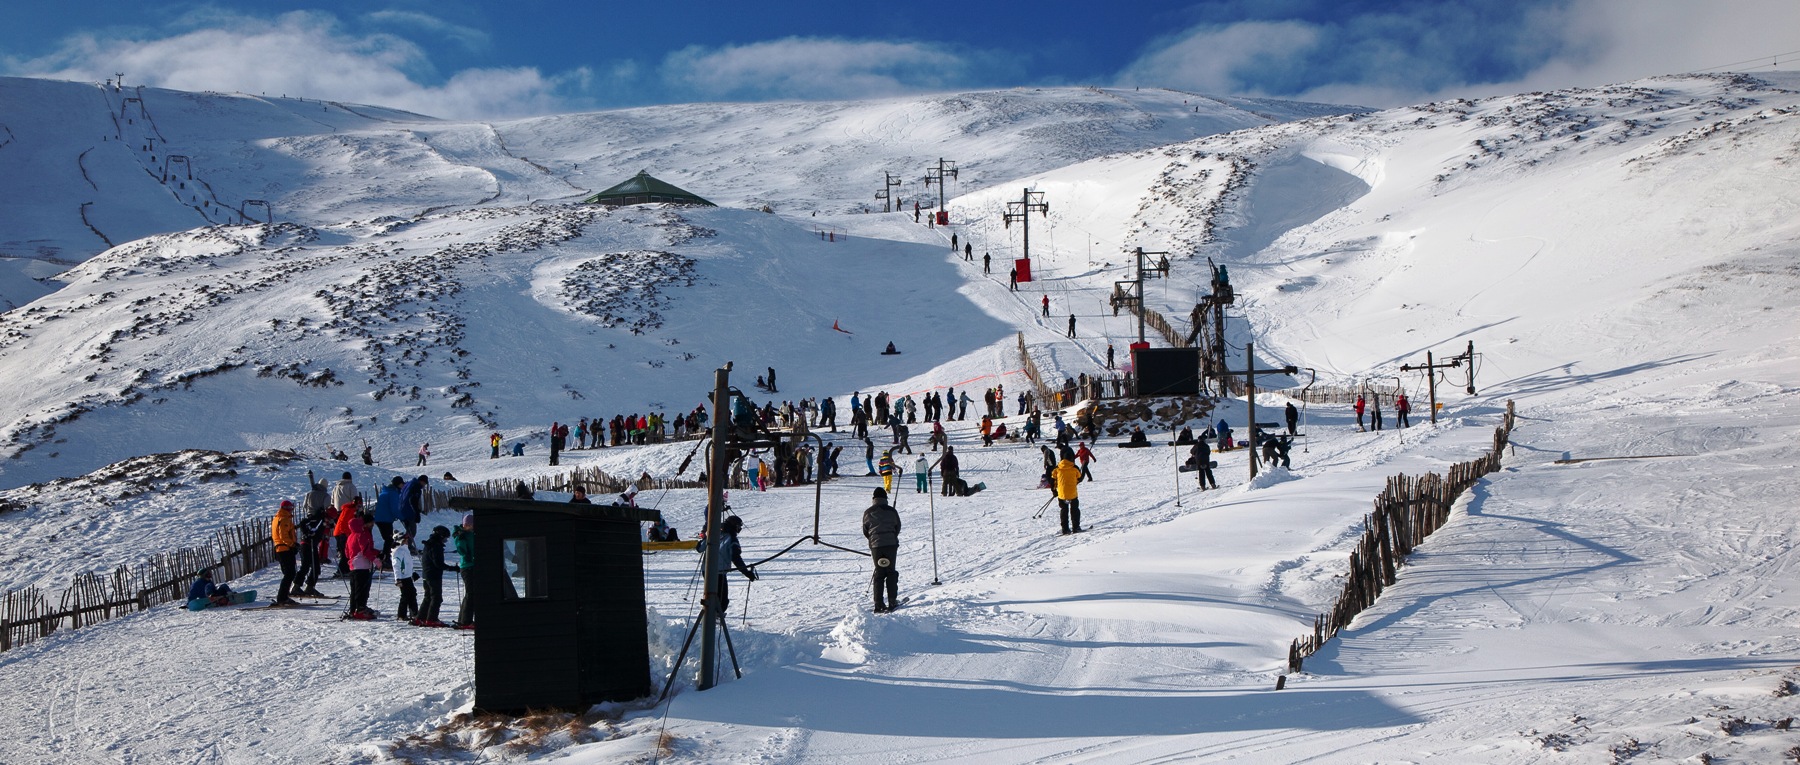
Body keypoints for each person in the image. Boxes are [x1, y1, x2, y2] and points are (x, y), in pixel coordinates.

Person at [863, 487, 902, 612]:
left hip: (876, 546)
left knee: (879, 573)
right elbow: (897, 527)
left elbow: (865, 530)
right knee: (890, 572)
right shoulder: (892, 511)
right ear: (885, 498)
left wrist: (873, 539)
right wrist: (892, 536)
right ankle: (892, 600)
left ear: (874, 498)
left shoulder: (868, 512)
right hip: (890, 544)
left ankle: (878, 603)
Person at [709, 515, 758, 612]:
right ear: (734, 526)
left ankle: (710, 617)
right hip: (718, 571)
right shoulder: (731, 539)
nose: (739, 529)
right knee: (722, 601)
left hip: (706, 570)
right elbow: (736, 558)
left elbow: (700, 548)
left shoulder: (714, 533)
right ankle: (712, 620)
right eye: (738, 527)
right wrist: (746, 573)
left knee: (712, 596)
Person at [415, 525, 452, 627]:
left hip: (426, 574)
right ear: (440, 536)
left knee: (428, 597)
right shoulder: (436, 546)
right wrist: (451, 568)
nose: (445, 540)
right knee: (436, 597)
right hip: (433, 575)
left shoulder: (429, 544)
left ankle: (420, 617)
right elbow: (438, 563)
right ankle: (432, 619)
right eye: (445, 538)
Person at [345, 513, 378, 620]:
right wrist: (375, 560)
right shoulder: (361, 535)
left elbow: (346, 552)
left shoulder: (350, 536)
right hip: (362, 565)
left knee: (355, 589)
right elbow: (365, 551)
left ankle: (353, 609)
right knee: (362, 589)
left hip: (353, 565)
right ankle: (360, 610)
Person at [296, 500, 330, 597]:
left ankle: (309, 587)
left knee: (315, 567)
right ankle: (296, 586)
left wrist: (320, 536)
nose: (330, 522)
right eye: (330, 519)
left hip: (312, 544)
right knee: (306, 566)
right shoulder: (319, 519)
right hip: (307, 544)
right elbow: (303, 523)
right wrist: (308, 533)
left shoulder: (322, 521)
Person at [272, 500, 300, 606]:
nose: (292, 510)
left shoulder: (277, 518)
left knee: (288, 574)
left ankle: (284, 596)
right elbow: (284, 536)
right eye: (291, 508)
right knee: (290, 573)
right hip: (284, 549)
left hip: (280, 549)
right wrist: (292, 545)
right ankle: (282, 597)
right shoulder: (284, 519)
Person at [452, 514, 476, 629]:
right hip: (467, 566)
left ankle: (464, 619)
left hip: (472, 565)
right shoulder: (461, 535)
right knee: (471, 593)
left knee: (471, 593)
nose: (469, 526)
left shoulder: (471, 534)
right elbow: (462, 550)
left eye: (471, 524)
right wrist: (468, 556)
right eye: (467, 524)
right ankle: (466, 620)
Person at [374, 477, 404, 569]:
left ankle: (384, 557)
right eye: (401, 484)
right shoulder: (392, 493)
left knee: (388, 539)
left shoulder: (387, 491)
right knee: (389, 539)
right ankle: (385, 559)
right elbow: (394, 509)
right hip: (385, 519)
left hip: (382, 518)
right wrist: (402, 517)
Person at [392, 533, 419, 622]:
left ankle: (414, 613)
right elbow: (396, 566)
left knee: (412, 593)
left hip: (407, 576)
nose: (407, 542)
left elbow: (408, 564)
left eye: (407, 540)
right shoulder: (398, 552)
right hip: (402, 577)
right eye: (405, 540)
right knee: (405, 596)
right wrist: (398, 579)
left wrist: (413, 572)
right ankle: (401, 615)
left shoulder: (405, 549)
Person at [1052, 458, 1082, 534]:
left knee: (1064, 510)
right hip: (1072, 492)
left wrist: (1054, 491)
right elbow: (1079, 477)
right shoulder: (1074, 468)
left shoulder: (1057, 469)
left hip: (1062, 494)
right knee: (1075, 510)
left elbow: (1053, 480)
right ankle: (1076, 527)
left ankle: (1065, 529)